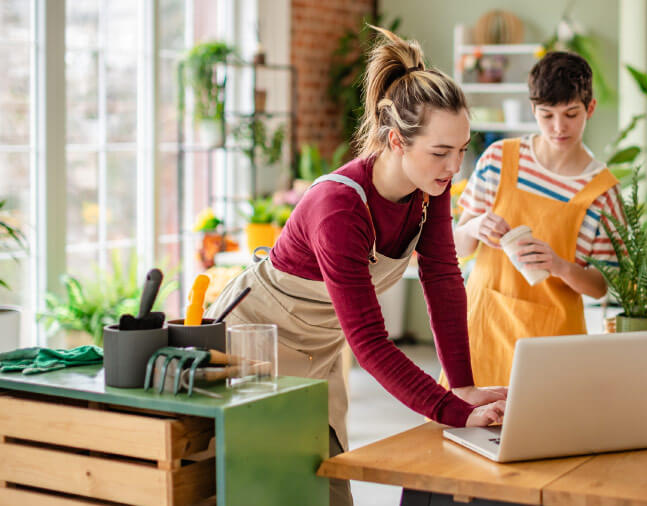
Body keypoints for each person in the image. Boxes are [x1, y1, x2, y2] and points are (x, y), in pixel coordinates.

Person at [204, 27, 506, 506]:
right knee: (261, 490)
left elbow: (444, 277)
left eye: (461, 149)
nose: (454, 168)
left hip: (318, 352)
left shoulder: (432, 187)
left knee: (329, 489)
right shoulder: (339, 207)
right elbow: (368, 343)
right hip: (251, 346)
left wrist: (463, 386)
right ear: (396, 141)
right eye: (441, 151)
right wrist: (451, 410)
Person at [452, 51, 625, 387]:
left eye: (570, 114)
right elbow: (458, 248)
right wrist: (474, 226)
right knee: (459, 435)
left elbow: (601, 286)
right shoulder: (499, 160)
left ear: (590, 108)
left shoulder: (602, 193)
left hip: (552, 343)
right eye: (546, 115)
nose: (558, 128)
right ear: (533, 110)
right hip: (483, 329)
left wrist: (559, 266)